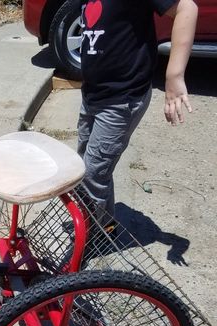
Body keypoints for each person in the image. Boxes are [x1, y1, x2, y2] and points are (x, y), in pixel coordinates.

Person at [77, 0, 198, 228]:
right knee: (87, 164)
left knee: (91, 173)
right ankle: (105, 224)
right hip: (93, 94)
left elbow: (187, 8)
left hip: (122, 98)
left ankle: (88, 235)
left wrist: (174, 75)